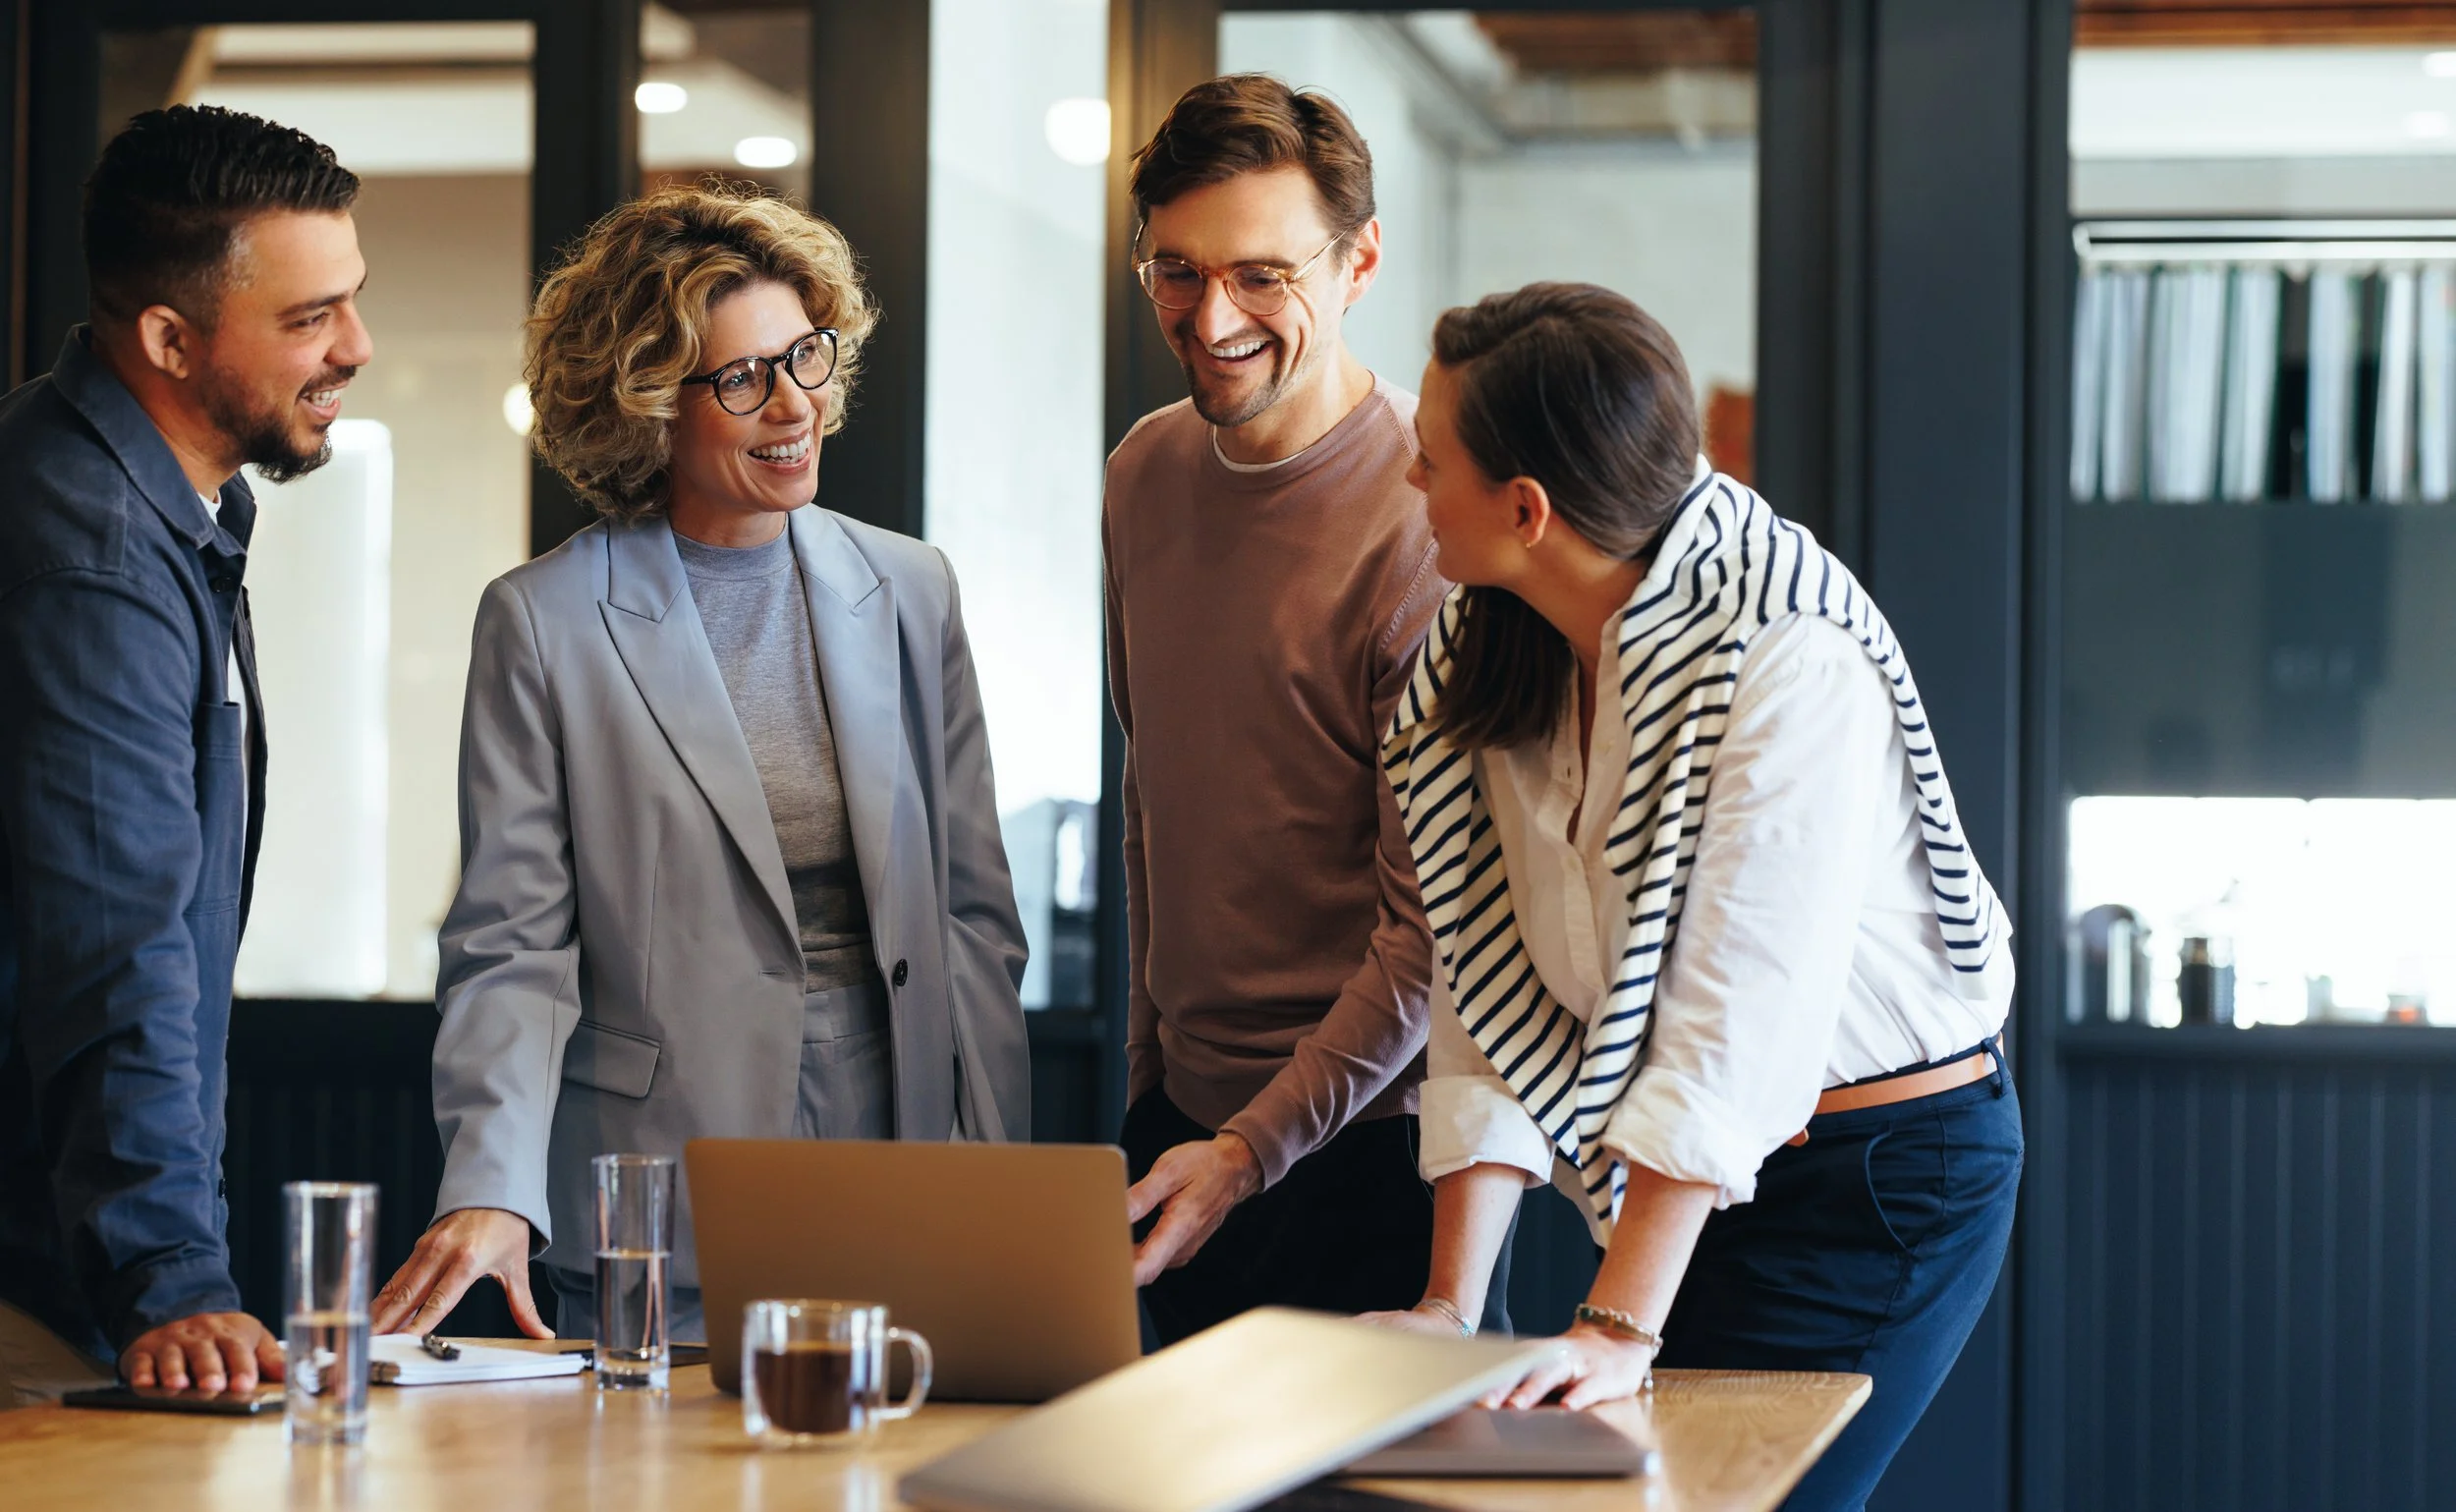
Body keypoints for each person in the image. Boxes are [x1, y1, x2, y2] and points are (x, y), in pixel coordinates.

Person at [1367, 283, 2021, 1512]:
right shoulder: (1495, 643)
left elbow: (1739, 1030)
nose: (1409, 482)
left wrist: (1616, 1320)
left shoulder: (1787, 655)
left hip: (1880, 1178)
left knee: (1723, 1501)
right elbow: (1486, 973)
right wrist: (1450, 1308)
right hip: (1700, 1177)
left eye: (1429, 460)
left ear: (1525, 509)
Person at [370, 184, 1031, 1343]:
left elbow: (974, 919)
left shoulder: (910, 587)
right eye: (741, 378)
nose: (794, 405)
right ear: (647, 406)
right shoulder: (545, 621)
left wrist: (996, 1178)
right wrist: (491, 1183)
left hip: (903, 1157)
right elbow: (510, 945)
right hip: (658, 1178)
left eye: (806, 357)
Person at [1106, 75, 1497, 1345]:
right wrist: (1153, 1089)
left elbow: (1430, 927)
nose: (1211, 317)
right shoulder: (1143, 471)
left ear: (1361, 260)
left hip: (1370, 1146)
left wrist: (1249, 1144)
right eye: (1176, 270)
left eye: (1262, 274)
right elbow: (1152, 801)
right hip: (1177, 1136)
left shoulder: (1427, 519)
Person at [0, 106, 370, 1405]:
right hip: (39, 1277)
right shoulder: (93, 552)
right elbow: (117, 937)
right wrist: (171, 1273)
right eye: (310, 316)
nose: (355, 348)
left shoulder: (156, 501)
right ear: (169, 337)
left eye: (353, 302)